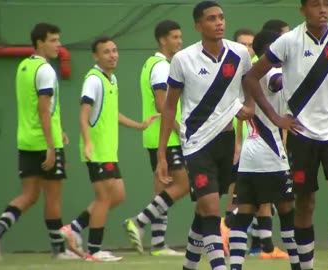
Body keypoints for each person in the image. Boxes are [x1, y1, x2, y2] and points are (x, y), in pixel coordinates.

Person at [243, 0, 328, 269]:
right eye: (315, 5)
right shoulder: (287, 42)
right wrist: (276, 118)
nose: (322, 9)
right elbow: (251, 77)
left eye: (326, 4)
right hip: (302, 134)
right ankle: (305, 266)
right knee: (305, 202)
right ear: (303, 10)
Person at [155, 1, 253, 269]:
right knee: (211, 207)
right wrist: (162, 153)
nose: (219, 23)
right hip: (197, 144)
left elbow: (250, 90)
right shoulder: (183, 59)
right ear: (198, 25)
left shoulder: (240, 55)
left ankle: (189, 265)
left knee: (204, 209)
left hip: (226, 141)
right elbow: (169, 106)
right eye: (212, 19)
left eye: (221, 17)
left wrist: (243, 131)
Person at [0, 22, 77, 261]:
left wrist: (60, 130)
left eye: (58, 40)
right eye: (53, 40)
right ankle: (59, 250)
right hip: (44, 143)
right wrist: (51, 145)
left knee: (29, 195)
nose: (58, 45)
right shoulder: (45, 70)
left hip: (26, 141)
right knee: (53, 198)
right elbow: (43, 111)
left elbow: (43, 111)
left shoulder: (24, 67)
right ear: (39, 43)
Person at [61, 36, 158, 262]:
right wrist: (87, 143)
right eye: (106, 52)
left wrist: (140, 125)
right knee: (103, 198)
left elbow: (111, 114)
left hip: (108, 151)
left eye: (114, 51)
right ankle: (94, 250)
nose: (112, 55)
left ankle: (74, 227)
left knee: (118, 195)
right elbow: (83, 116)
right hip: (96, 151)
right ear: (96, 56)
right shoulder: (93, 80)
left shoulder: (111, 80)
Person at [229, 30, 301, 270]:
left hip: (249, 156)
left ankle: (235, 266)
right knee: (287, 213)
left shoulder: (246, 74)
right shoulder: (271, 73)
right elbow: (279, 82)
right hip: (270, 154)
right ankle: (298, 265)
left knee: (243, 215)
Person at [123, 19, 185, 256]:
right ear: (162, 40)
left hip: (156, 136)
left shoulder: (154, 64)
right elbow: (162, 104)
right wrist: (180, 129)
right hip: (166, 136)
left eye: (180, 37)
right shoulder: (161, 66)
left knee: (163, 189)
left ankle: (158, 245)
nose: (179, 41)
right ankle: (138, 222)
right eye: (174, 37)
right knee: (184, 184)